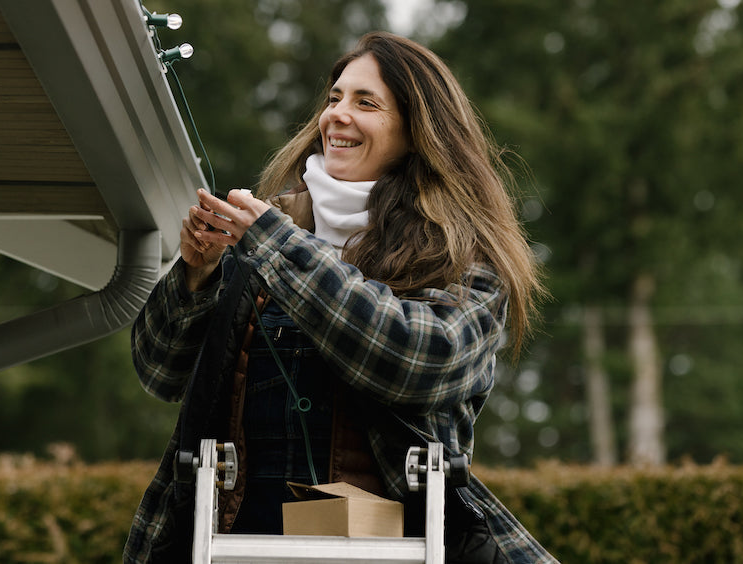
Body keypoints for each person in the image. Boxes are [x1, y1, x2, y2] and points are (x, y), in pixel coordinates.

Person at [124, 31, 556, 563]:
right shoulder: (262, 235)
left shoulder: (462, 255)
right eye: (334, 99)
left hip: (399, 552)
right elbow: (160, 373)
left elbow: (419, 360)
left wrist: (278, 246)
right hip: (233, 548)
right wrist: (196, 273)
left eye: (365, 102)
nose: (337, 116)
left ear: (419, 130)